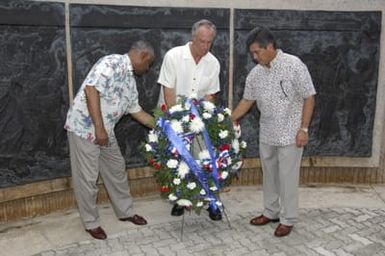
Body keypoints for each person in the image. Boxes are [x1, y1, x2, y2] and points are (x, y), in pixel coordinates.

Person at [64, 40, 155, 240]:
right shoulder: (111, 62)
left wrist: (164, 126)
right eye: (148, 64)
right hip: (86, 129)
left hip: (106, 132)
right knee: (87, 179)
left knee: (116, 169)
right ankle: (91, 222)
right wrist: (99, 128)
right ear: (143, 56)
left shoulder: (130, 79)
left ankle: (125, 212)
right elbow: (91, 90)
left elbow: (136, 111)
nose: (147, 69)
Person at [231, 26, 316, 237]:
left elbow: (309, 96)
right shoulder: (255, 74)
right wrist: (227, 120)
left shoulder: (294, 65)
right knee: (269, 176)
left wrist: (304, 128)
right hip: (267, 133)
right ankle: (271, 212)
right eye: (252, 53)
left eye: (257, 52)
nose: (254, 56)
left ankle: (288, 219)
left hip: (291, 133)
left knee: (287, 178)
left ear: (269, 47)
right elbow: (247, 101)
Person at [157, 19, 222, 221]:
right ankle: (179, 199)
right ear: (193, 38)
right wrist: (177, 123)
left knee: (206, 159)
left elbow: (211, 95)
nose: (205, 46)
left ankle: (212, 202)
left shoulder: (213, 63)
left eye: (209, 42)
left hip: (198, 121)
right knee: (178, 162)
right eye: (201, 41)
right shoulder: (173, 56)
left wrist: (202, 119)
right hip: (173, 118)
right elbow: (169, 91)